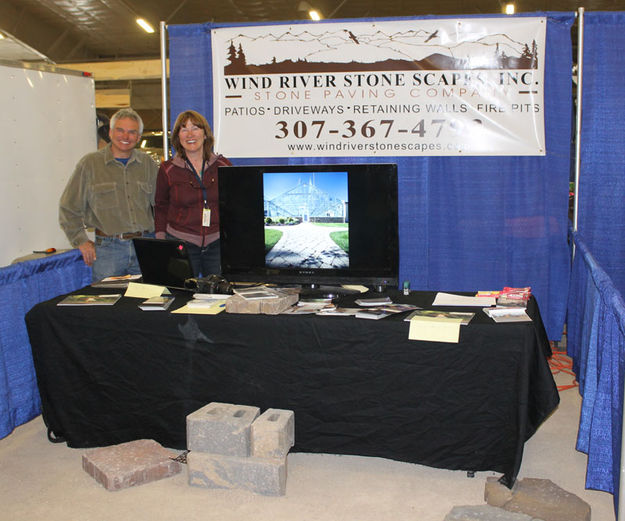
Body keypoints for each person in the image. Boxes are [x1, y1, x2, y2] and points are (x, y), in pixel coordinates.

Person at [59, 107, 158, 281]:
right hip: (108, 251)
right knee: (105, 303)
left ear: (139, 137)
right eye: (120, 130)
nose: (125, 137)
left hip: (145, 246)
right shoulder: (90, 164)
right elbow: (68, 207)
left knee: (147, 302)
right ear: (111, 132)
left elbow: (162, 205)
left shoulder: (148, 164)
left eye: (132, 132)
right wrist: (80, 240)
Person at [154, 110, 232, 277]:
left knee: (219, 296)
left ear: (205, 134)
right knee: (182, 294)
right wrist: (161, 240)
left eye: (195, 128)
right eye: (184, 129)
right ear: (178, 137)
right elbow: (160, 206)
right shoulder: (167, 169)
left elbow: (233, 204)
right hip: (181, 242)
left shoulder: (223, 165)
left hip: (217, 244)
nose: (190, 134)